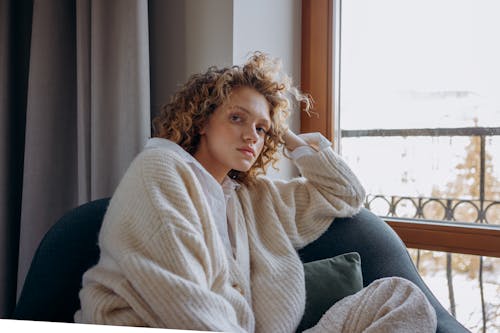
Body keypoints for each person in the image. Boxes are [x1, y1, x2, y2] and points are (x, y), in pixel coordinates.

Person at [74, 52, 437, 332]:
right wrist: (264, 123)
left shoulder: (253, 198)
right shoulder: (160, 169)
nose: (252, 136)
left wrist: (286, 135)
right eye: (237, 118)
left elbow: (345, 193)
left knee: (401, 296)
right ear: (201, 119)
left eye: (262, 129)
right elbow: (185, 307)